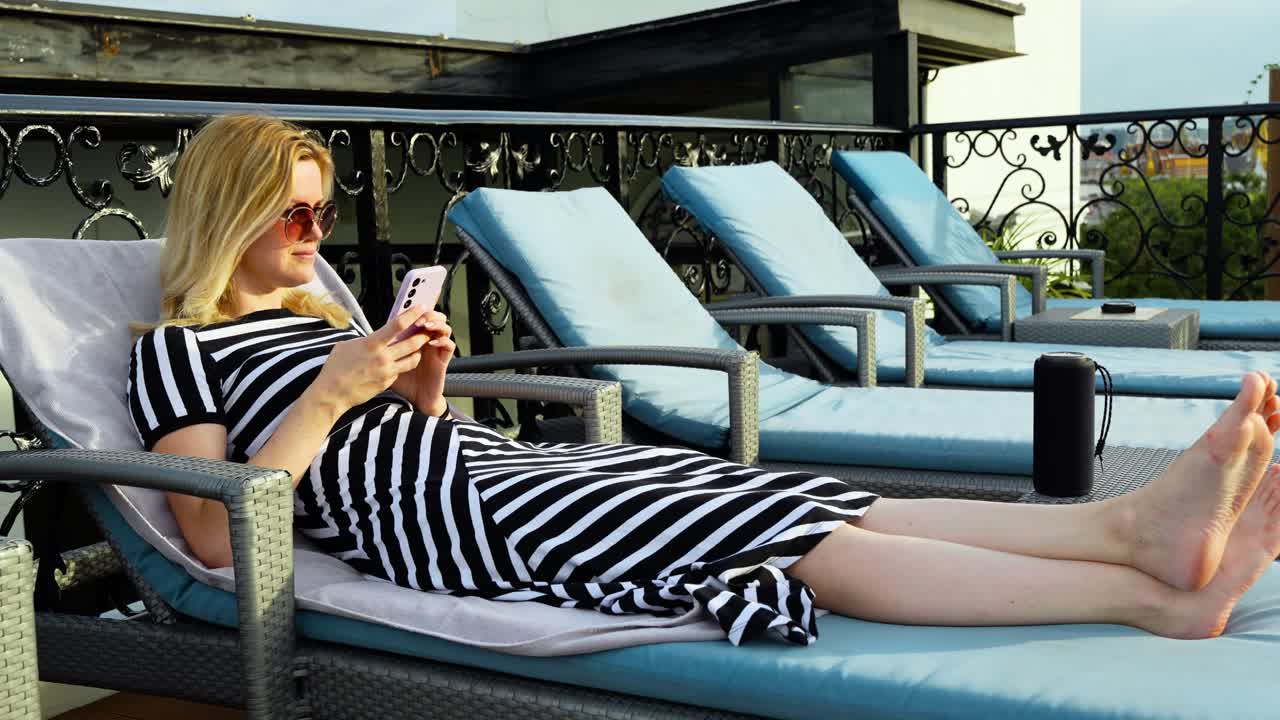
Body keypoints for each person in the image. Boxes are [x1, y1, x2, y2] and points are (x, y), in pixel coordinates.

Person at [128, 114, 1280, 647]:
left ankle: (1131, 531)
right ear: (227, 210)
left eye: (324, 208)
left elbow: (395, 439)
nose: (316, 229)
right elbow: (218, 536)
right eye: (296, 208)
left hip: (500, 470)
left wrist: (416, 388)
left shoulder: (314, 314)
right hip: (455, 526)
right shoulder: (178, 352)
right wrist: (333, 394)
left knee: (786, 494)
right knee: (779, 545)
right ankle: (1144, 593)